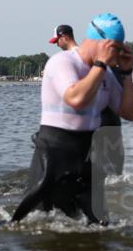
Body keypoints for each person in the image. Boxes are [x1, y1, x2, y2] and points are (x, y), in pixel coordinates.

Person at [10, 13, 133, 224]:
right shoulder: (62, 62)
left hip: (86, 161)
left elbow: (129, 113)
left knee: (101, 228)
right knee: (31, 224)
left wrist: (127, 74)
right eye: (115, 48)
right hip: (53, 158)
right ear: (101, 42)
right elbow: (75, 98)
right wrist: (100, 64)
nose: (117, 55)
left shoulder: (105, 73)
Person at [50, 21, 126, 176]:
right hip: (112, 116)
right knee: (116, 169)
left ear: (64, 37)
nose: (57, 44)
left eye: (57, 41)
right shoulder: (95, 56)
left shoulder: (72, 59)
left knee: (91, 169)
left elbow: (76, 95)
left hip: (94, 119)